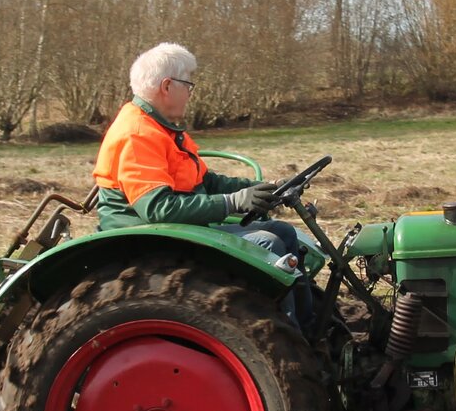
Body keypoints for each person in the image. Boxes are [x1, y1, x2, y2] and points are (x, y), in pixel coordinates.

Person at [93, 42, 315, 325]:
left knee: (283, 232)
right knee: (267, 245)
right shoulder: (138, 134)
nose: (190, 93)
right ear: (167, 86)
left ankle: (309, 332)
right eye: (188, 84)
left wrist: (260, 188)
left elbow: (205, 180)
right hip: (148, 239)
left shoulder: (163, 128)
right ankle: (284, 343)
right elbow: (159, 209)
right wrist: (233, 203)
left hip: (174, 230)